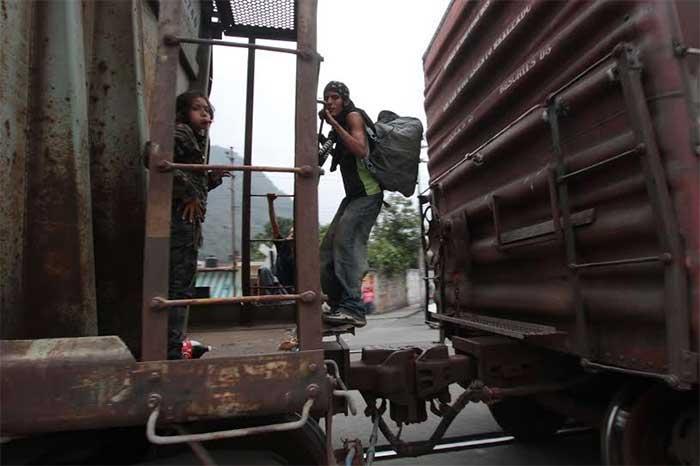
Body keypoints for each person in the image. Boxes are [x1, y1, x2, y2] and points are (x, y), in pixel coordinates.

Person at [166, 90, 226, 359]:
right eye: (197, 109)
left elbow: (193, 182)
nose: (205, 114)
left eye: (208, 109)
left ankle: (175, 343)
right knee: (178, 287)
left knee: (181, 286)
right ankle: (172, 348)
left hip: (188, 224)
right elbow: (154, 157)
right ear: (183, 113)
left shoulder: (197, 141)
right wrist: (188, 193)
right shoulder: (181, 133)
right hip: (179, 224)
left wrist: (210, 179)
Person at [319, 81, 383, 328]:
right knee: (326, 252)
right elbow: (321, 157)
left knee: (345, 242)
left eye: (334, 97)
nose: (330, 102)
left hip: (369, 195)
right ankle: (339, 305)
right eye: (326, 98)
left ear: (344, 100)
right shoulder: (336, 128)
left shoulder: (354, 117)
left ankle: (354, 307)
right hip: (353, 196)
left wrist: (334, 123)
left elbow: (360, 150)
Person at [257, 193, 295, 294]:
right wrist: (270, 203)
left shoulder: (303, 253)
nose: (291, 236)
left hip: (293, 292)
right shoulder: (282, 246)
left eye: (294, 234)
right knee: (264, 270)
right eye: (291, 233)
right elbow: (274, 225)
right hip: (280, 289)